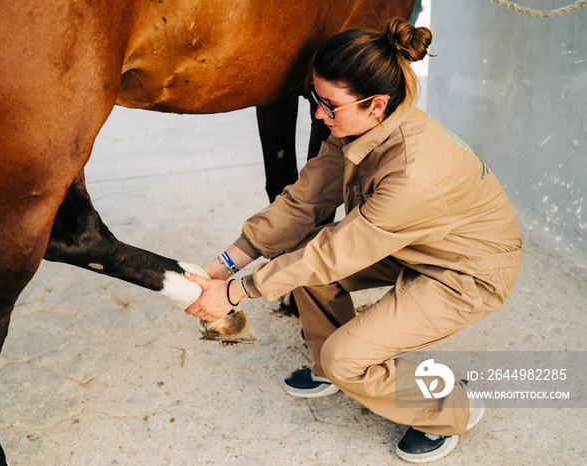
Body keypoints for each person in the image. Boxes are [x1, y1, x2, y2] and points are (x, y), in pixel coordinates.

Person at [184, 17, 522, 463]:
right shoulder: (359, 129)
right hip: (414, 245)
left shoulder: (413, 175)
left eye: (329, 105)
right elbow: (303, 203)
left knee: (345, 347)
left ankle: (449, 408)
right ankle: (331, 368)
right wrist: (220, 267)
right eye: (314, 99)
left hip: (467, 270)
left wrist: (235, 292)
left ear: (376, 104)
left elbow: (335, 253)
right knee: (297, 262)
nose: (320, 116)